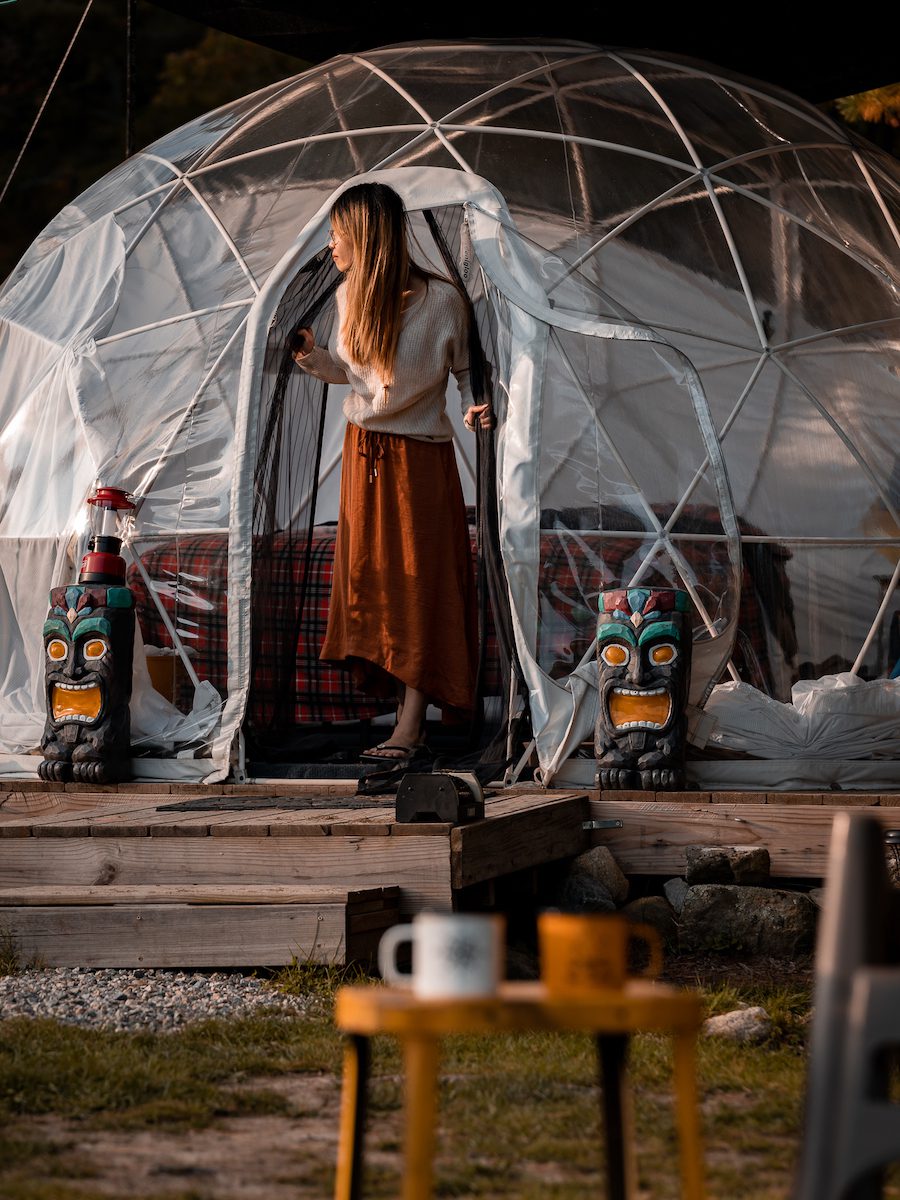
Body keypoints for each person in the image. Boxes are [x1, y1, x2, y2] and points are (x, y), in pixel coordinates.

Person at [292, 182, 492, 760]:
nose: (330, 244)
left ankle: (411, 725)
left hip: (419, 461)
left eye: (337, 232)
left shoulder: (443, 301)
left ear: (364, 236)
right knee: (373, 584)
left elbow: (467, 373)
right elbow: (352, 376)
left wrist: (478, 403)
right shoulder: (349, 296)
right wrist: (310, 355)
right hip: (362, 455)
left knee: (419, 587)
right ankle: (390, 710)